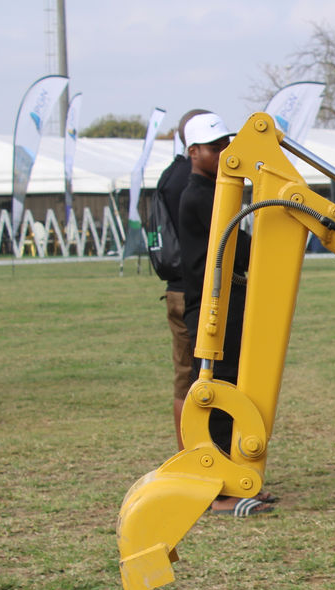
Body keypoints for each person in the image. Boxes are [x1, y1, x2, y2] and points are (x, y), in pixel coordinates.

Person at [178, 112, 274, 517]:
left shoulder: (216, 191)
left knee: (233, 387)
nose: (222, 153)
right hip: (211, 305)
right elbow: (244, 246)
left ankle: (235, 477)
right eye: (214, 148)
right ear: (193, 152)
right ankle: (217, 491)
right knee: (218, 392)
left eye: (225, 146)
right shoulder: (200, 196)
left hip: (226, 300)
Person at [155, 109, 209, 449]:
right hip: (191, 290)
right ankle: (190, 452)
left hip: (178, 287)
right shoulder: (188, 182)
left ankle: (192, 451)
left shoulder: (169, 176)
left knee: (188, 376)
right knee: (190, 379)